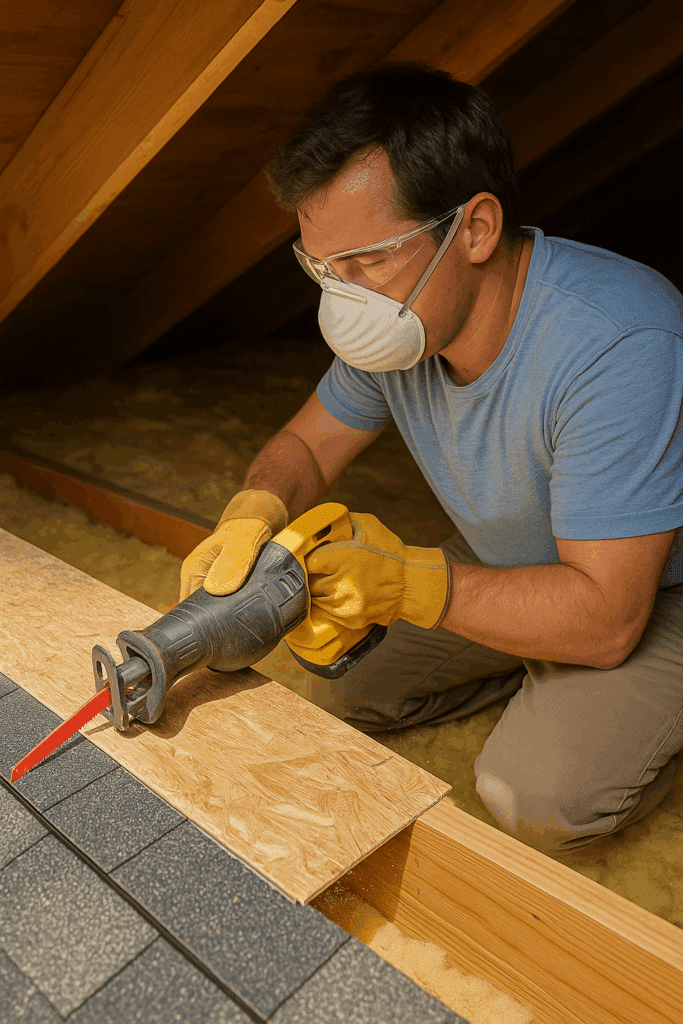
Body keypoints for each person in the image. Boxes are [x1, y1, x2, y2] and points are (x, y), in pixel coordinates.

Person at [179, 62, 683, 856]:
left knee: (536, 799)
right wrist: (253, 512)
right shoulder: (400, 324)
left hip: (644, 592)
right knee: (347, 687)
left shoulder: (619, 339)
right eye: (321, 267)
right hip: (514, 559)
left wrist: (413, 584)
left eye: (366, 261)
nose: (343, 298)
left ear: (475, 229)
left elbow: (607, 616)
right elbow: (307, 443)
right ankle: (534, 668)